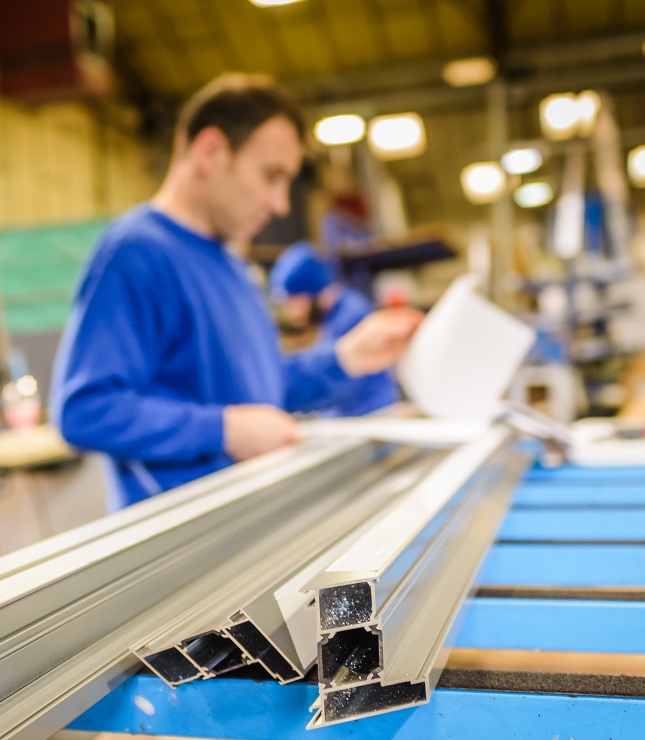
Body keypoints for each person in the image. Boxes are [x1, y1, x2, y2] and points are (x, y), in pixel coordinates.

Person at [51, 73, 423, 510]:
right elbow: (85, 410)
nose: (281, 204)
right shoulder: (137, 254)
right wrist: (223, 429)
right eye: (271, 176)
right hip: (183, 543)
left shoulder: (231, 265)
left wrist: (346, 358)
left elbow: (258, 392)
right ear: (211, 152)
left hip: (248, 521)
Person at [269, 241, 401, 417]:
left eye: (298, 302)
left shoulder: (352, 314)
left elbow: (342, 378)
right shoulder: (329, 316)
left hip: (370, 411)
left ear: (319, 292)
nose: (294, 312)